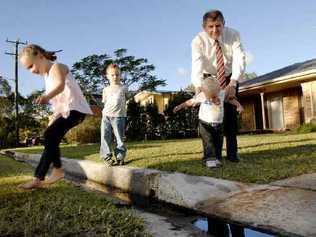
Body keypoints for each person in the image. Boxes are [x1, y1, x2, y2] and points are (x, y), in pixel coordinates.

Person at [18, 44, 92, 189]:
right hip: (66, 112)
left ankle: (58, 170)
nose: (32, 71)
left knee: (49, 136)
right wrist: (53, 117)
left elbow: (61, 86)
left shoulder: (57, 67)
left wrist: (46, 96)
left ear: (39, 55)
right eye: (28, 69)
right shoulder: (47, 78)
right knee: (50, 142)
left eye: (31, 66)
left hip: (76, 110)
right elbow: (59, 101)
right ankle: (38, 179)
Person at [191, 10, 246, 162]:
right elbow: (196, 65)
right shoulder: (197, 41)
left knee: (230, 115)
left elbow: (239, 59)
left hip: (229, 77)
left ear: (223, 24)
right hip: (209, 79)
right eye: (210, 27)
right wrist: (198, 89)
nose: (215, 30)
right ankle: (211, 155)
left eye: (218, 26)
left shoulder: (233, 35)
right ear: (204, 27)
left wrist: (233, 82)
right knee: (209, 117)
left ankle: (232, 154)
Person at [173, 77, 243, 168]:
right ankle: (209, 159)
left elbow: (230, 100)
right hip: (204, 124)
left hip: (219, 124)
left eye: (215, 96)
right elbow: (190, 102)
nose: (212, 99)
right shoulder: (201, 96)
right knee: (208, 142)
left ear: (219, 90)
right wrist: (180, 106)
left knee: (218, 142)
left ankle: (217, 158)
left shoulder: (222, 94)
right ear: (204, 93)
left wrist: (239, 105)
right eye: (210, 97)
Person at [100, 63, 128, 166]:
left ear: (120, 75)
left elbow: (125, 99)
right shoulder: (105, 90)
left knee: (119, 138)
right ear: (107, 76)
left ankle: (120, 157)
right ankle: (106, 157)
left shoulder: (124, 88)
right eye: (112, 75)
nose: (115, 77)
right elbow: (105, 103)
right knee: (105, 137)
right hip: (106, 116)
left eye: (117, 74)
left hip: (119, 116)